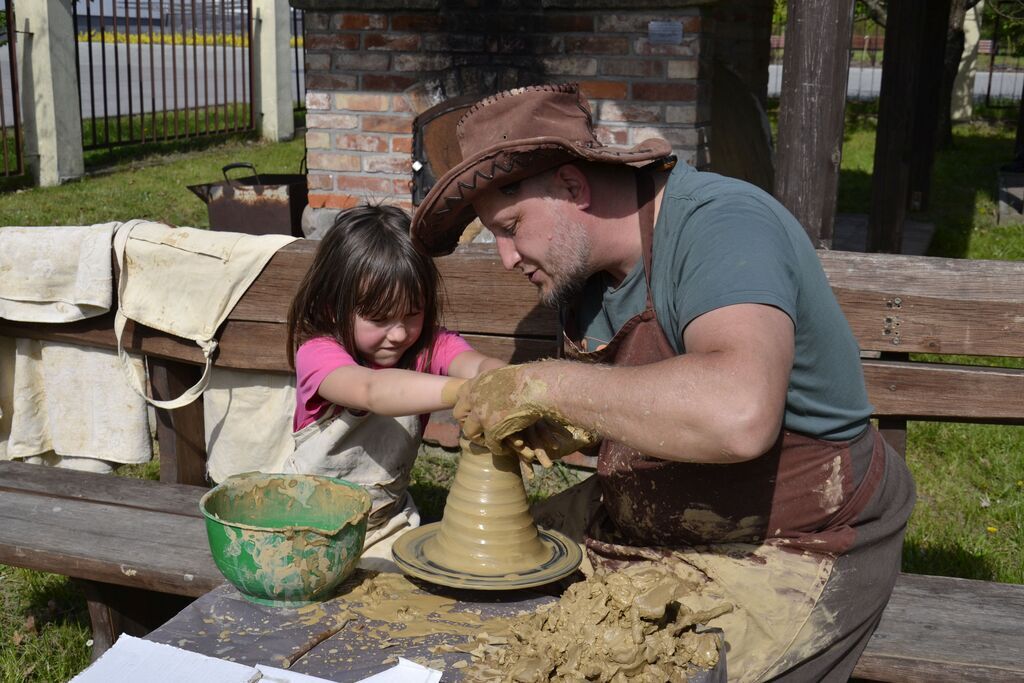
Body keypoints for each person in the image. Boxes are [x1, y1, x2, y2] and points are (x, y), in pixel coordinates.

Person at [410, 84, 916, 682]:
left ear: (573, 188)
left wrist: (546, 386)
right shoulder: (581, 271)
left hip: (789, 539)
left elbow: (739, 415)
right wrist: (576, 428)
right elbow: (645, 407)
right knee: (466, 608)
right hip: (646, 521)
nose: (506, 258)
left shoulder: (721, 225)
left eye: (511, 227)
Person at [281, 204, 504, 566]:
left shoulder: (430, 346)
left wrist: (507, 384)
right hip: (306, 528)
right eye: (380, 318)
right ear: (332, 307)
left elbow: (477, 364)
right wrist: (457, 392)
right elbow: (373, 389)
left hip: (387, 523)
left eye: (412, 314)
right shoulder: (318, 354)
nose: (399, 333)